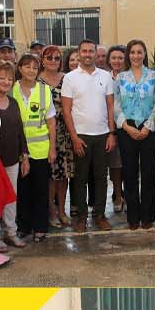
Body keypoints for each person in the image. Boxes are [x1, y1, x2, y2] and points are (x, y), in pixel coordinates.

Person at [58, 40, 117, 232]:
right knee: (80, 178)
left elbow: (110, 106)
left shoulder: (106, 76)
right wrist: (74, 137)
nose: (88, 54)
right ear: (79, 53)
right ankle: (81, 217)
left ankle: (99, 215)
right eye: (84, 51)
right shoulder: (70, 78)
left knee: (101, 177)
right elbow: (66, 111)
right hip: (81, 136)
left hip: (102, 136)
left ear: (95, 54)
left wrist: (111, 133)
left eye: (91, 51)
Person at [116, 40, 155, 230]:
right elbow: (116, 104)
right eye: (132, 52)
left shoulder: (154, 76)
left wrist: (148, 126)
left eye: (139, 52)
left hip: (148, 129)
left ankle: (147, 217)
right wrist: (126, 127)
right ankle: (133, 218)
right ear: (128, 55)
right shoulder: (120, 77)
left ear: (144, 54)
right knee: (129, 173)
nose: (136, 55)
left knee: (149, 173)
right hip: (126, 128)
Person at [11, 53, 53, 242]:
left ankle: (40, 227)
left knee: (40, 190)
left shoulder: (44, 91)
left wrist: (53, 148)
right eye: (27, 66)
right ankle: (24, 226)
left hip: (41, 150)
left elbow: (51, 122)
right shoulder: (11, 90)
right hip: (18, 150)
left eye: (35, 68)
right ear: (20, 68)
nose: (31, 70)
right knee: (22, 191)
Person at [0, 62, 26, 251]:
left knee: (11, 198)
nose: (6, 82)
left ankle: (11, 232)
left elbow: (20, 131)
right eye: (2, 78)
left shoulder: (14, 102)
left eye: (10, 79)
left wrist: (24, 156)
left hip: (12, 159)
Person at [40, 46, 73, 229]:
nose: (53, 60)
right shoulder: (37, 81)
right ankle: (51, 211)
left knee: (64, 174)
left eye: (57, 58)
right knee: (50, 176)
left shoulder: (67, 79)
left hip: (66, 131)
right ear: (42, 60)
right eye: (49, 57)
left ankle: (62, 210)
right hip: (45, 133)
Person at [105, 44, 129, 217]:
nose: (117, 61)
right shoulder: (104, 78)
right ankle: (118, 197)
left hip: (128, 125)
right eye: (114, 58)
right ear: (109, 60)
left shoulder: (131, 77)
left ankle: (129, 195)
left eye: (120, 57)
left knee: (128, 163)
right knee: (114, 165)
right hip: (109, 127)